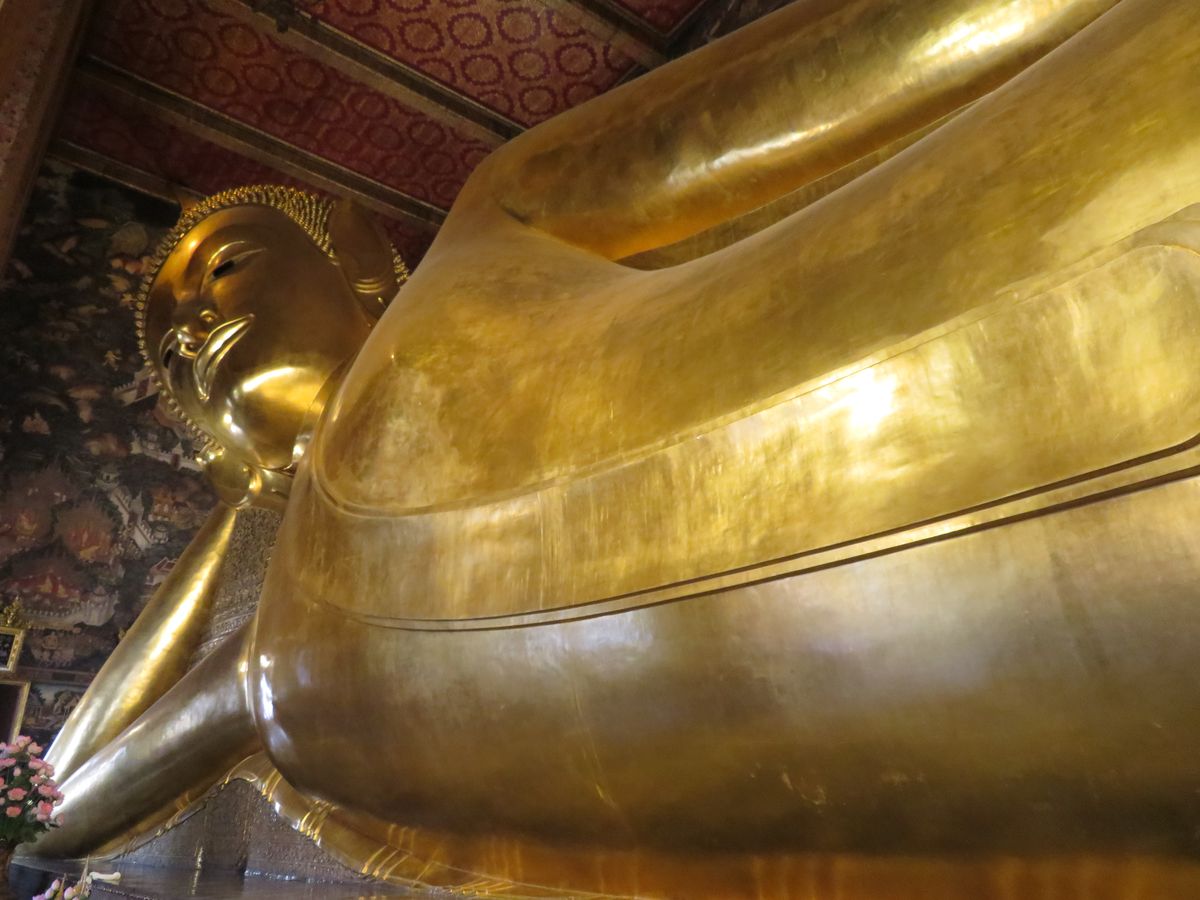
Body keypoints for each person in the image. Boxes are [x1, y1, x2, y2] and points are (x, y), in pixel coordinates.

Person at [35, 0, 1200, 895]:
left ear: (358, 265)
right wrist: (249, 493)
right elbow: (61, 810)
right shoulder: (277, 659)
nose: (192, 325)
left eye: (227, 266)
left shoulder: (489, 231)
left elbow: (862, 69)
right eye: (172, 347)